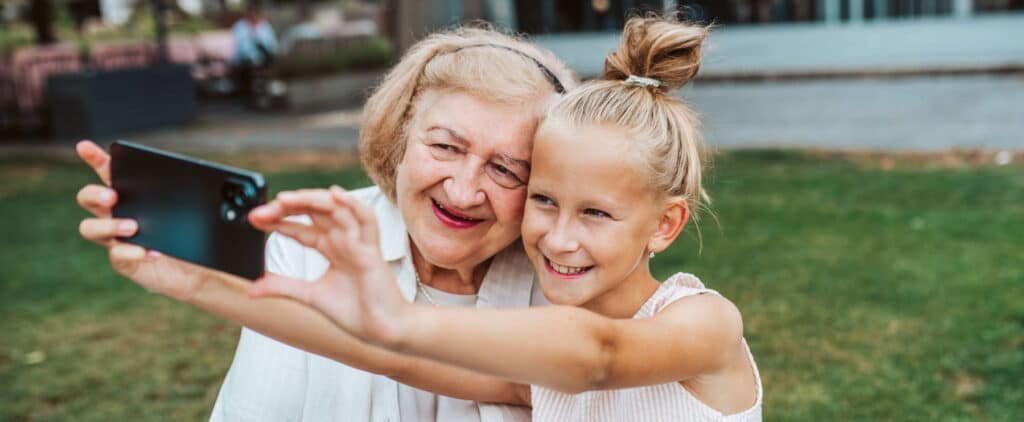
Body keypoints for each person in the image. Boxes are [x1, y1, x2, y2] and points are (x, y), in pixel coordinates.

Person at [249, 16, 762, 421]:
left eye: (596, 213)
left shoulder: (708, 325)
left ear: (665, 225)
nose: (559, 238)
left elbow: (598, 356)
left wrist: (398, 318)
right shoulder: (540, 373)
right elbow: (388, 357)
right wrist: (186, 277)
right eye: (543, 200)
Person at [74, 25, 576, 421]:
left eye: (507, 169)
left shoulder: (565, 280)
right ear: (401, 138)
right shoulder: (308, 245)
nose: (465, 191)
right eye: (445, 146)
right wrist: (190, 279)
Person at [231, 4, 278, 101]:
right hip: (245, 60)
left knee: (266, 63)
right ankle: (251, 96)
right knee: (251, 67)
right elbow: (242, 47)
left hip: (265, 59)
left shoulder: (264, 25)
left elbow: (271, 44)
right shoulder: (240, 26)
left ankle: (264, 94)